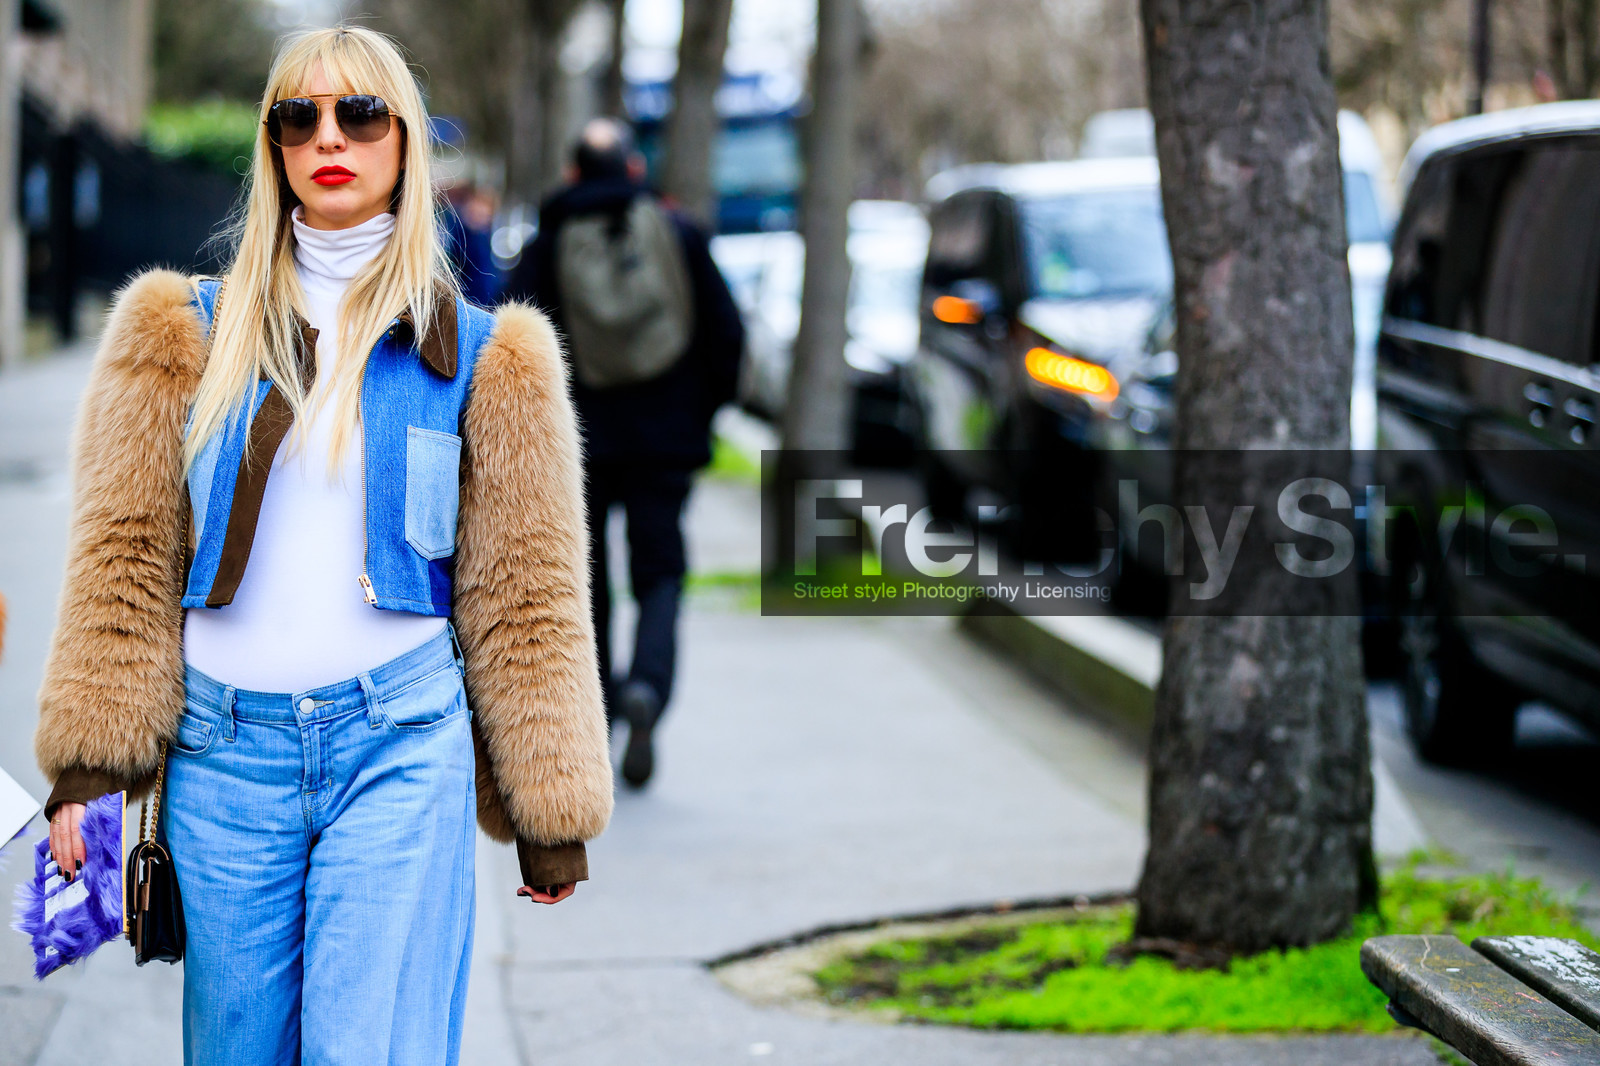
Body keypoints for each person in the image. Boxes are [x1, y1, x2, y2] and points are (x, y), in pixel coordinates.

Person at [32, 27, 612, 1065]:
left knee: (364, 1050)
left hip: (397, 746)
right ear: (272, 145)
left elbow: (527, 599)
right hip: (220, 761)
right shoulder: (175, 333)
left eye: (360, 114)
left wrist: (549, 805)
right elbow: (122, 560)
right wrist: (88, 771)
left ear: (404, 140)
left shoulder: (491, 358)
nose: (328, 137)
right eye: (298, 117)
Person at [505, 119, 743, 788]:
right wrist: (704, 412)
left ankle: (604, 708)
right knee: (661, 569)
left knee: (590, 580)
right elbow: (727, 332)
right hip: (667, 440)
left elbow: (509, 346)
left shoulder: (546, 246)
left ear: (574, 173)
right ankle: (649, 687)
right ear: (633, 170)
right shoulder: (679, 233)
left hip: (581, 443)